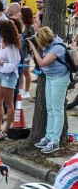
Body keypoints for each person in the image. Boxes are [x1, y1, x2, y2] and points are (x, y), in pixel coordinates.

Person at [29, 26, 71, 154]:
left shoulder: (57, 47)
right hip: (51, 77)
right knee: (49, 108)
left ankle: (55, 141)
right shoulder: (50, 44)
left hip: (59, 79)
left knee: (57, 110)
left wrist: (33, 47)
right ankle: (49, 136)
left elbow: (42, 63)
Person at [0, 19, 21, 139]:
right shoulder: (4, 43)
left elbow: (13, 65)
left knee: (8, 103)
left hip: (9, 75)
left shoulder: (12, 47)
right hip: (2, 74)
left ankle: (6, 128)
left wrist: (0, 62)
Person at [19, 7, 35, 99]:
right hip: (20, 51)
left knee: (26, 72)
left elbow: (32, 40)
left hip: (26, 53)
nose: (19, 14)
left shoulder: (31, 27)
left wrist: (22, 39)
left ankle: (27, 91)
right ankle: (20, 89)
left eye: (21, 13)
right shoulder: (21, 25)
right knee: (20, 71)